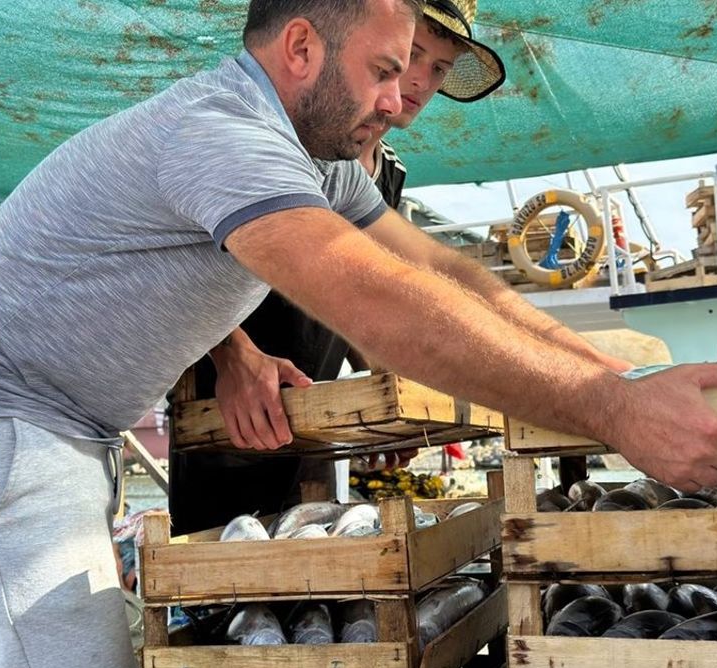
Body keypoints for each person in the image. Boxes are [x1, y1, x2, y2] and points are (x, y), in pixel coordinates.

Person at [0, 1, 717, 668]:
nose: (396, 99)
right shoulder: (221, 131)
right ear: (301, 46)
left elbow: (443, 275)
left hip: (69, 430)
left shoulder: (323, 161)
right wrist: (613, 414)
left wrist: (619, 377)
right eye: (383, 69)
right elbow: (380, 309)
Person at [170, 0, 508, 532]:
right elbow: (182, 254)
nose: (417, 80)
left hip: (315, 415)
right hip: (229, 406)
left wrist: (384, 388)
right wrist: (234, 357)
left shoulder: (387, 175)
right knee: (220, 565)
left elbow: (362, 292)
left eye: (438, 68)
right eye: (407, 56)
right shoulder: (283, 141)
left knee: (308, 563)